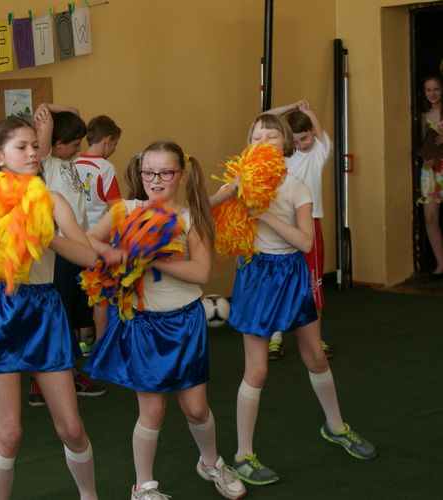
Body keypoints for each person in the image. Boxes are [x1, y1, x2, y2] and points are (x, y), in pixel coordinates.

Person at [0, 117, 110, 500]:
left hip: (43, 309)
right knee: (9, 433)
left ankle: (89, 496)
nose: (33, 153)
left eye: (35, 145)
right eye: (22, 147)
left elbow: (88, 256)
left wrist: (47, 237)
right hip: (0, 308)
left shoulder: (52, 200)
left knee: (71, 428)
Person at [212, 114, 376, 486]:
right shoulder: (240, 182)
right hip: (256, 275)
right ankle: (242, 455)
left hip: (291, 273)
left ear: (285, 143)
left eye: (271, 136)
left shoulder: (297, 185)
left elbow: (305, 242)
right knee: (257, 370)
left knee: (315, 355)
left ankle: (336, 426)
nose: (263, 141)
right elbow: (207, 207)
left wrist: (265, 215)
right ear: (249, 144)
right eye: (257, 136)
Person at [84, 142, 247, 500]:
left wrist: (152, 258)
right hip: (144, 324)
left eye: (165, 173)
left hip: (185, 322)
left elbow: (200, 271)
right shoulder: (126, 210)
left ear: (182, 175)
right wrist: (113, 253)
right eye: (148, 172)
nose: (156, 180)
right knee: (153, 410)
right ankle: (143, 486)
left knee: (196, 408)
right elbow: (88, 242)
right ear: (140, 173)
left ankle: (211, 463)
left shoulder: (191, 217)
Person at [29, 103, 106, 407]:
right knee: (58, 318)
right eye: (74, 144)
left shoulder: (67, 161)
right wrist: (50, 109)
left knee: (73, 316)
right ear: (56, 144)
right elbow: (45, 112)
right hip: (59, 253)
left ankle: (68, 374)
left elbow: (74, 113)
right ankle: (41, 383)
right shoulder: (45, 162)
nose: (79, 148)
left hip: (75, 248)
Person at [263, 100, 334, 360]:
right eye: (296, 140)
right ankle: (276, 338)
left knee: (313, 283)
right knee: (279, 280)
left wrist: (308, 112)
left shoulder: (319, 152)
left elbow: (318, 133)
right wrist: (292, 106)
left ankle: (316, 339)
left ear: (312, 132)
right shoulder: (280, 156)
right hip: (283, 224)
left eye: (305, 138)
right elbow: (263, 118)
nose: (302, 144)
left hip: (310, 223)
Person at [73, 115, 123, 353]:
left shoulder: (72, 162)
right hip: (99, 240)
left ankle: (80, 343)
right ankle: (102, 345)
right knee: (100, 294)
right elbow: (117, 208)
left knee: (75, 294)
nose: (114, 149)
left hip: (72, 239)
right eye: (115, 144)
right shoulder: (106, 168)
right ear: (108, 140)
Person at [418, 76, 443, 278]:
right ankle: (441, 263)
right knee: (430, 216)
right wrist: (425, 157)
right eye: (428, 90)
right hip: (430, 172)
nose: (432, 94)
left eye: (436, 89)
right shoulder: (421, 117)